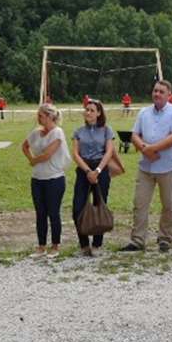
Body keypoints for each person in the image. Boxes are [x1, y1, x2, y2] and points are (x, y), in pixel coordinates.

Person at [123, 80, 172, 253]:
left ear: (168, 95)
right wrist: (145, 149)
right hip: (146, 167)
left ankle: (165, 239)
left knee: (168, 205)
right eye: (155, 91)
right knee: (140, 203)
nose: (157, 94)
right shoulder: (144, 112)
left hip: (168, 166)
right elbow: (134, 134)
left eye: (161, 92)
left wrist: (152, 148)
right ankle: (137, 240)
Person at [23, 103, 71, 257]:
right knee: (40, 213)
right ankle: (41, 245)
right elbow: (24, 146)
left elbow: (47, 154)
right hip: (37, 179)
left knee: (53, 212)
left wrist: (34, 161)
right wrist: (31, 158)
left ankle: (55, 245)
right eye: (38, 115)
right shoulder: (36, 132)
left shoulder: (57, 132)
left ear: (50, 117)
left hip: (54, 178)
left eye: (41, 116)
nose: (38, 118)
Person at [71, 99, 116, 256]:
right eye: (86, 109)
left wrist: (97, 170)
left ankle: (97, 243)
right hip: (83, 170)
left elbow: (109, 151)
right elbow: (75, 154)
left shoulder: (106, 130)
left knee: (100, 206)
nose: (88, 112)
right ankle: (84, 243)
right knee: (78, 207)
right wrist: (87, 171)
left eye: (91, 110)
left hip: (101, 169)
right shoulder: (78, 132)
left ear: (98, 113)